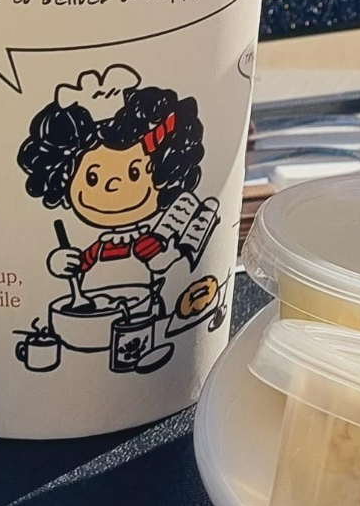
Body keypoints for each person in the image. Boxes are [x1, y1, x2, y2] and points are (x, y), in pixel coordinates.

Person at [15, 67, 213, 375]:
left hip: (142, 320)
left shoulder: (145, 241)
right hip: (92, 323)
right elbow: (78, 266)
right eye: (92, 177)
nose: (111, 186)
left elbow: (161, 263)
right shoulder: (101, 247)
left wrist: (171, 252)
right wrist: (61, 262)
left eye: (134, 173)